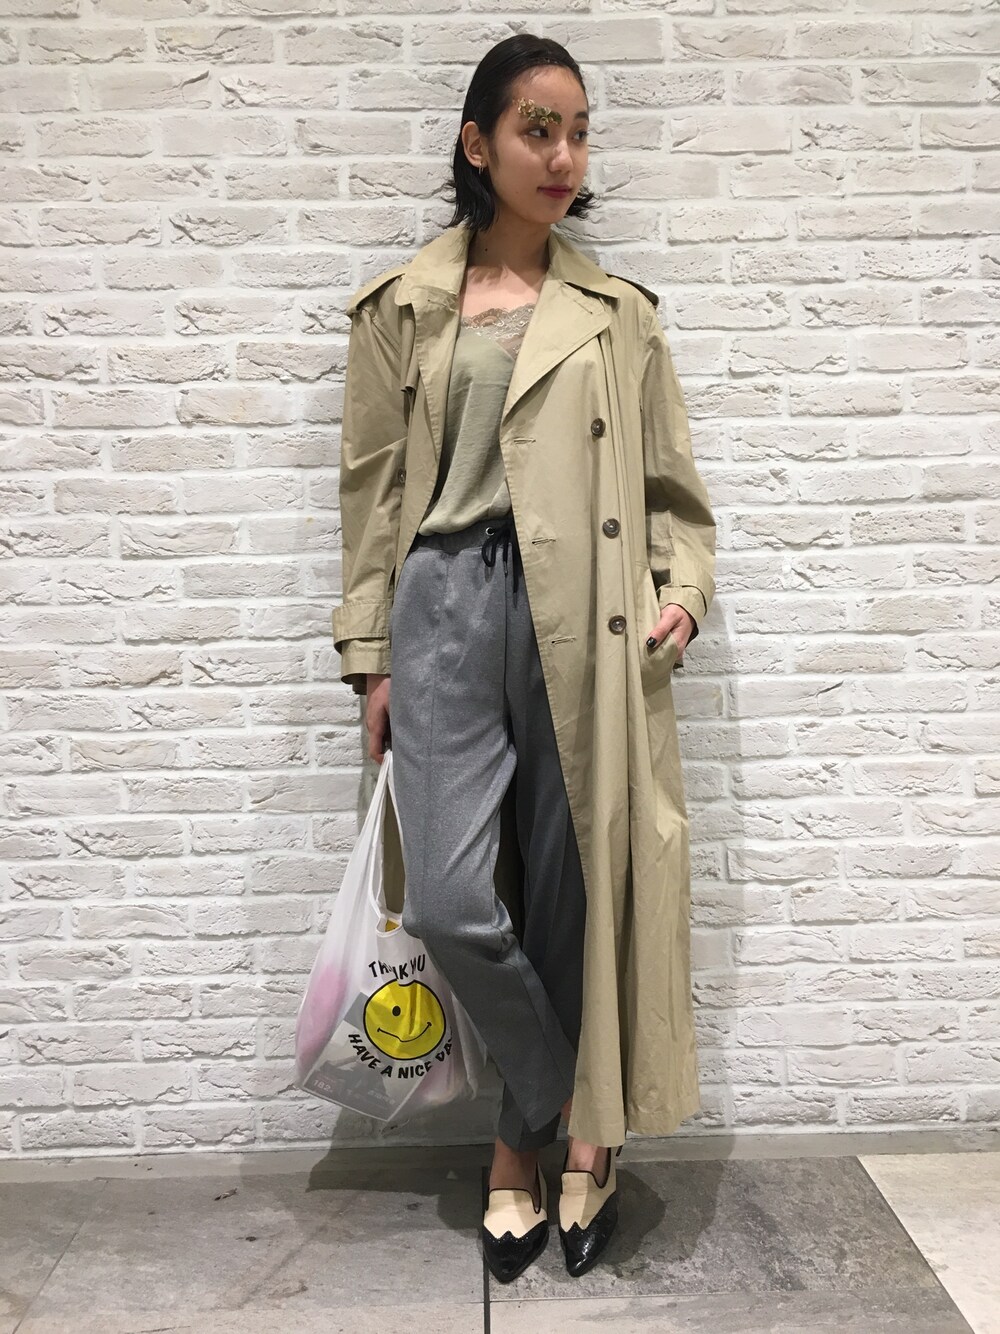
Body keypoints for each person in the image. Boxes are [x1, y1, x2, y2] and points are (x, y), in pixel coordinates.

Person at [333, 35, 717, 1284]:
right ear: (477, 142)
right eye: (537, 129)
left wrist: (681, 593)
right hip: (444, 602)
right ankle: (569, 1101)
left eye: (578, 131)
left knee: (565, 889)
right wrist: (370, 655)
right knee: (452, 898)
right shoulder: (402, 306)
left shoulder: (617, 315)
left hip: (588, 607)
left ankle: (521, 1147)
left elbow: (671, 490)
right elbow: (371, 494)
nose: (563, 156)